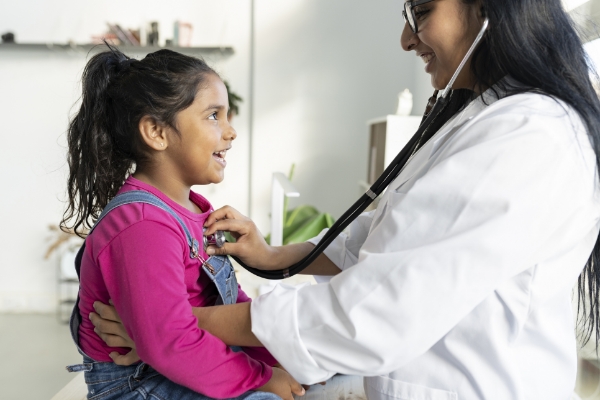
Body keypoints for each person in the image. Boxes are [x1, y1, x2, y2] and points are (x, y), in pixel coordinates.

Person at [90, 0, 600, 398]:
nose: (407, 39)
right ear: (156, 132)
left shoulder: (527, 135)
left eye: (421, 12)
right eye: (212, 116)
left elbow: (375, 308)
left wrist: (169, 330)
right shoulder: (485, 121)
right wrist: (269, 260)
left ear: (492, 9)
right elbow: (394, 242)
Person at [60, 45, 304, 400]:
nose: (231, 131)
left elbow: (230, 308)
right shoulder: (141, 225)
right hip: (139, 383)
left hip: (185, 363)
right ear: (156, 132)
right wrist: (262, 379)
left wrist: (282, 366)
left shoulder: (193, 211)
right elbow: (170, 341)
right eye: (213, 116)